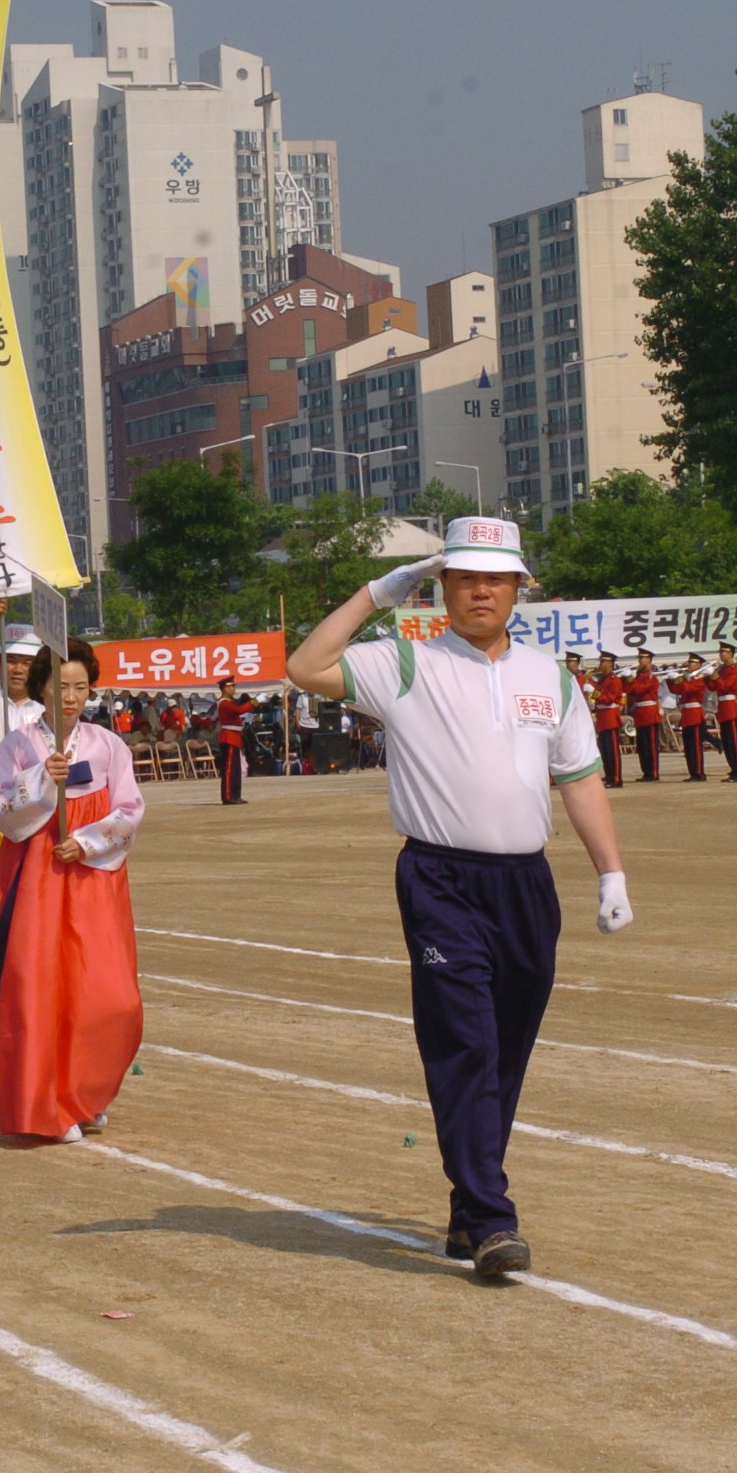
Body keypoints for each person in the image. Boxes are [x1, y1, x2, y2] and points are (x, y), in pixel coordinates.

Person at [286, 515, 630, 1278]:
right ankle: (488, 1215)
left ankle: (469, 1199)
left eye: (496, 579)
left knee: (506, 1050)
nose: (481, 591)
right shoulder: (404, 663)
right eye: (465, 577)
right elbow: (306, 668)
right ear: (440, 586)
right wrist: (376, 593)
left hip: (526, 885)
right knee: (464, 1042)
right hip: (441, 879)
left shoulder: (552, 678)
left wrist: (610, 871)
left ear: (518, 589)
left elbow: (579, 778)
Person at [0, 638, 145, 1143]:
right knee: (40, 990)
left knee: (108, 994)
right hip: (38, 881)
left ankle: (85, 1092)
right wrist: (38, 780)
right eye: (60, 685)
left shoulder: (108, 745)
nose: (70, 696)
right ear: (41, 687)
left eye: (80, 686)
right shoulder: (18, 745)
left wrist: (89, 841)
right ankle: (47, 1105)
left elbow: (130, 810)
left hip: (94, 881)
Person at [712, 647, 737, 783]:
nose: (721, 654)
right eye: (720, 652)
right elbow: (713, 687)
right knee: (727, 742)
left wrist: (716, 677)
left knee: (733, 742)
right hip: (723, 707)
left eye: (724, 652)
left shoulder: (734, 670)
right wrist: (708, 677)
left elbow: (725, 686)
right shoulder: (722, 669)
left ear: (730, 654)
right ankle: (734, 769)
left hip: (730, 706)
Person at [213, 674, 253, 805]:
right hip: (229, 736)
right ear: (224, 689)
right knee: (229, 768)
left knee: (235, 768)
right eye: (230, 687)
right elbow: (239, 710)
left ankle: (236, 794)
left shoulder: (228, 702)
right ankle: (229, 796)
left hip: (234, 736)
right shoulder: (224, 703)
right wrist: (253, 702)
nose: (233, 689)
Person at [625, 649, 663, 783]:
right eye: (640, 658)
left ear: (649, 660)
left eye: (643, 658)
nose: (640, 661)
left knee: (651, 745)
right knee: (642, 746)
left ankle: (653, 772)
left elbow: (639, 690)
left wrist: (630, 679)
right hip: (640, 713)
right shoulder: (639, 676)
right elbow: (630, 691)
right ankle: (646, 772)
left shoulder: (652, 677)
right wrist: (628, 679)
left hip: (650, 712)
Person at [589, 652, 626, 788]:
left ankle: (616, 778)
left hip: (610, 716)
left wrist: (595, 693)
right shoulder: (604, 679)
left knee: (612, 751)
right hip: (603, 716)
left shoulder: (614, 680)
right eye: (601, 662)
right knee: (604, 749)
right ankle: (609, 776)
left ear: (610, 663)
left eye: (604, 662)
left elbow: (610, 698)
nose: (601, 665)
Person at [672, 654, 709, 782]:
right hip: (687, 714)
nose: (689, 666)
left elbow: (689, 689)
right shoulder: (687, 678)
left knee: (696, 746)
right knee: (688, 747)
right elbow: (675, 690)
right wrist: (670, 679)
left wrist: (682, 680)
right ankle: (693, 772)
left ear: (699, 665)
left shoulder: (700, 679)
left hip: (695, 713)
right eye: (689, 663)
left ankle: (699, 773)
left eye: (692, 663)